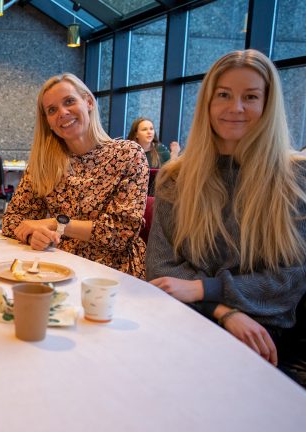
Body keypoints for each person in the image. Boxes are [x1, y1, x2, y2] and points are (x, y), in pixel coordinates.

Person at [146, 49, 306, 387]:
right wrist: (222, 310)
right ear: (207, 102)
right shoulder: (176, 177)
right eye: (223, 95)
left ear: (268, 105)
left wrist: (204, 288)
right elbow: (161, 267)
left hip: (266, 329)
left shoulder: (296, 178)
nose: (236, 108)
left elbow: (290, 279)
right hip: (192, 317)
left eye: (250, 97)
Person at [2, 73, 149, 278]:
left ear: (89, 102)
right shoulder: (44, 163)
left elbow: (120, 234)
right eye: (52, 110)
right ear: (48, 122)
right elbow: (12, 219)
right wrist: (33, 235)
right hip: (57, 265)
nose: (62, 113)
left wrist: (56, 223)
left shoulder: (128, 155)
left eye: (69, 101)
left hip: (114, 273)